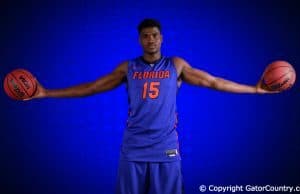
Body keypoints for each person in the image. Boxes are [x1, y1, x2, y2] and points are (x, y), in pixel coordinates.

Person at [28, 18, 274, 194]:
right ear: (139, 40)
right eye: (145, 36)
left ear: (162, 37)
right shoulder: (128, 68)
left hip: (165, 148)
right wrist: (46, 92)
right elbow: (91, 87)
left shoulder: (175, 66)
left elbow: (214, 82)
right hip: (133, 148)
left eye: (155, 35)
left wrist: (254, 88)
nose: (151, 40)